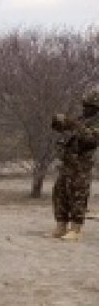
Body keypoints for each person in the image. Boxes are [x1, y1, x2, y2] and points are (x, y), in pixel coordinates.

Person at [49, 87, 99, 241]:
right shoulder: (82, 119)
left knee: (78, 195)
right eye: (85, 105)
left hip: (81, 166)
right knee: (60, 193)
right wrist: (59, 121)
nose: (85, 109)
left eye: (89, 106)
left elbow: (90, 139)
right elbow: (64, 128)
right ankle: (61, 226)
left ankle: (76, 230)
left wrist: (73, 125)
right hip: (67, 163)